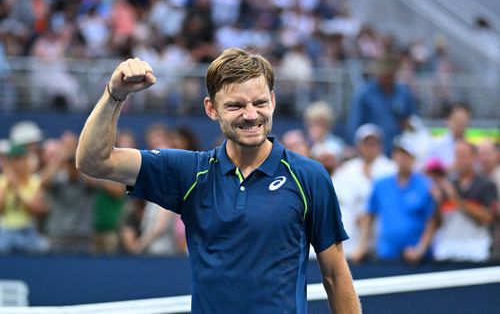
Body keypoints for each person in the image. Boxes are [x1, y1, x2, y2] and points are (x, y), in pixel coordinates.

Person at [76, 48, 360, 313]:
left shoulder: (308, 176)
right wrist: (115, 94)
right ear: (211, 109)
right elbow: (94, 160)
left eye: (260, 102)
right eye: (236, 105)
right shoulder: (189, 172)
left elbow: (335, 275)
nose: (251, 115)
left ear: (272, 101)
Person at [351, 136, 436, 264]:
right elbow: (369, 216)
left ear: (413, 158)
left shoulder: (426, 185)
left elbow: (432, 222)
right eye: (398, 154)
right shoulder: (381, 184)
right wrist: (362, 246)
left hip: (417, 258)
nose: (402, 158)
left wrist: (420, 249)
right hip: (387, 254)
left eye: (406, 155)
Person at [333, 124, 396, 259]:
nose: (370, 146)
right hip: (353, 237)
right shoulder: (347, 169)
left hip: (381, 234)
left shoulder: (391, 169)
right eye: (367, 142)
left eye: (374, 142)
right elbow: (339, 198)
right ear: (359, 145)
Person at [432, 141, 497, 262]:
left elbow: (488, 218)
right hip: (448, 250)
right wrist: (438, 201)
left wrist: (456, 199)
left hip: (475, 250)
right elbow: (437, 222)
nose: (460, 160)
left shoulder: (486, 184)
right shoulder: (447, 185)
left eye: (464, 155)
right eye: (457, 155)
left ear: (474, 157)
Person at [347, 52, 416, 156]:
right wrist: (359, 149)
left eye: (389, 74)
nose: (386, 77)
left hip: (396, 150)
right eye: (383, 73)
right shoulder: (364, 93)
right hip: (370, 151)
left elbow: (410, 120)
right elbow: (354, 125)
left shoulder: (403, 93)